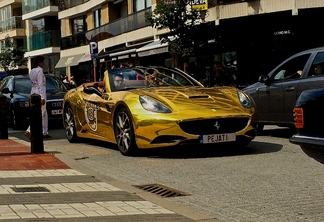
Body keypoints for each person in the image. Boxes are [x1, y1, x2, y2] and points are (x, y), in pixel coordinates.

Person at [25, 56, 51, 139]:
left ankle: (44, 131)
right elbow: (40, 84)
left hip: (33, 91)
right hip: (40, 92)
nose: (44, 64)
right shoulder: (40, 70)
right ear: (39, 62)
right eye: (43, 62)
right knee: (40, 113)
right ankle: (29, 130)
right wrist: (42, 97)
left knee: (44, 114)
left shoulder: (32, 70)